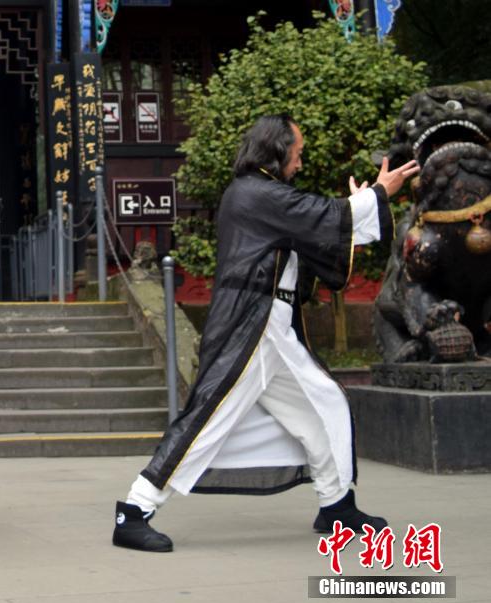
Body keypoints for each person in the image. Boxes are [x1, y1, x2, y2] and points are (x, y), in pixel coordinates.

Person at [112, 114, 420, 552]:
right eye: (297, 152)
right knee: (210, 416)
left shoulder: (261, 194)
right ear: (277, 150)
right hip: (251, 323)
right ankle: (135, 509)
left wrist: (360, 207)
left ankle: (336, 504)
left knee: (323, 404)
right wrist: (375, 196)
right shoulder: (254, 193)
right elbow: (320, 217)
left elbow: (321, 225)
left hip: (270, 324)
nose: (300, 160)